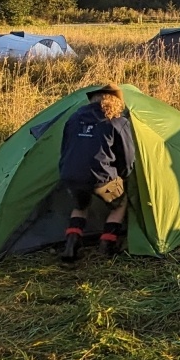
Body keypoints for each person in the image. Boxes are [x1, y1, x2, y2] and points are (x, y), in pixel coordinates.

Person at [60, 83, 139, 260]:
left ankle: (71, 244)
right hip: (102, 179)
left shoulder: (74, 117)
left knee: (80, 205)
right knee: (120, 203)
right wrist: (124, 176)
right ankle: (107, 245)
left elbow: (64, 148)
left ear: (95, 99)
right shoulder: (118, 121)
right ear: (117, 101)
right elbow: (127, 156)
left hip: (70, 176)